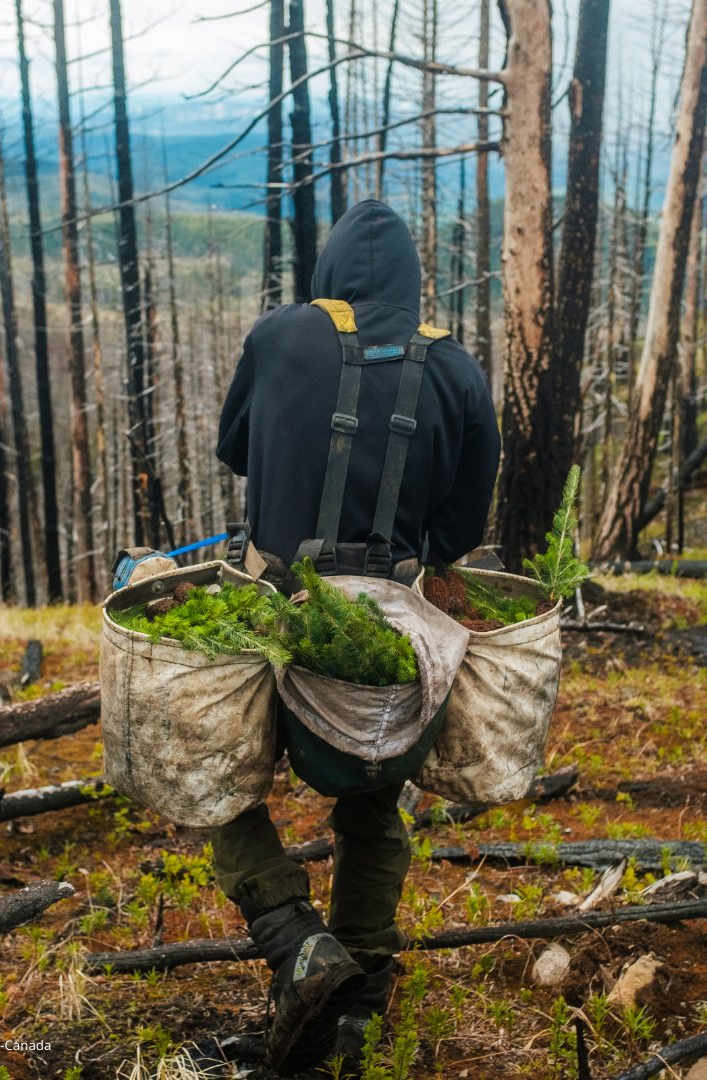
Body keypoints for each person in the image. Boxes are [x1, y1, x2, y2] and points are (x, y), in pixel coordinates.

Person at [211, 199, 500, 1074]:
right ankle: (358, 1009)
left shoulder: (278, 337)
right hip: (395, 626)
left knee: (218, 781)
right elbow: (457, 533)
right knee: (375, 809)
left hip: (275, 610)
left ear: (330, 272)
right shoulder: (457, 368)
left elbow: (235, 450)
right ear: (415, 282)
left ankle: (295, 940)